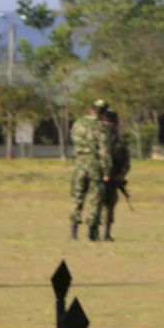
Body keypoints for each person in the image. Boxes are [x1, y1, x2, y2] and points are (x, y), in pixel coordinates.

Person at [68, 100, 109, 241]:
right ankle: (92, 232)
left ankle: (73, 232)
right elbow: (104, 151)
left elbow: (74, 141)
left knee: (77, 197)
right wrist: (107, 172)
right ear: (103, 112)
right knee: (94, 199)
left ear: (91, 109)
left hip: (79, 163)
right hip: (95, 165)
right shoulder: (102, 127)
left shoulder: (77, 124)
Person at [91, 107, 130, 242]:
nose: (107, 125)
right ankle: (93, 233)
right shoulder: (96, 138)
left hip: (113, 177)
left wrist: (122, 174)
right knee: (96, 204)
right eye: (105, 122)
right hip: (97, 176)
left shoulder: (120, 140)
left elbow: (126, 159)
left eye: (110, 123)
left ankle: (107, 233)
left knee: (110, 205)